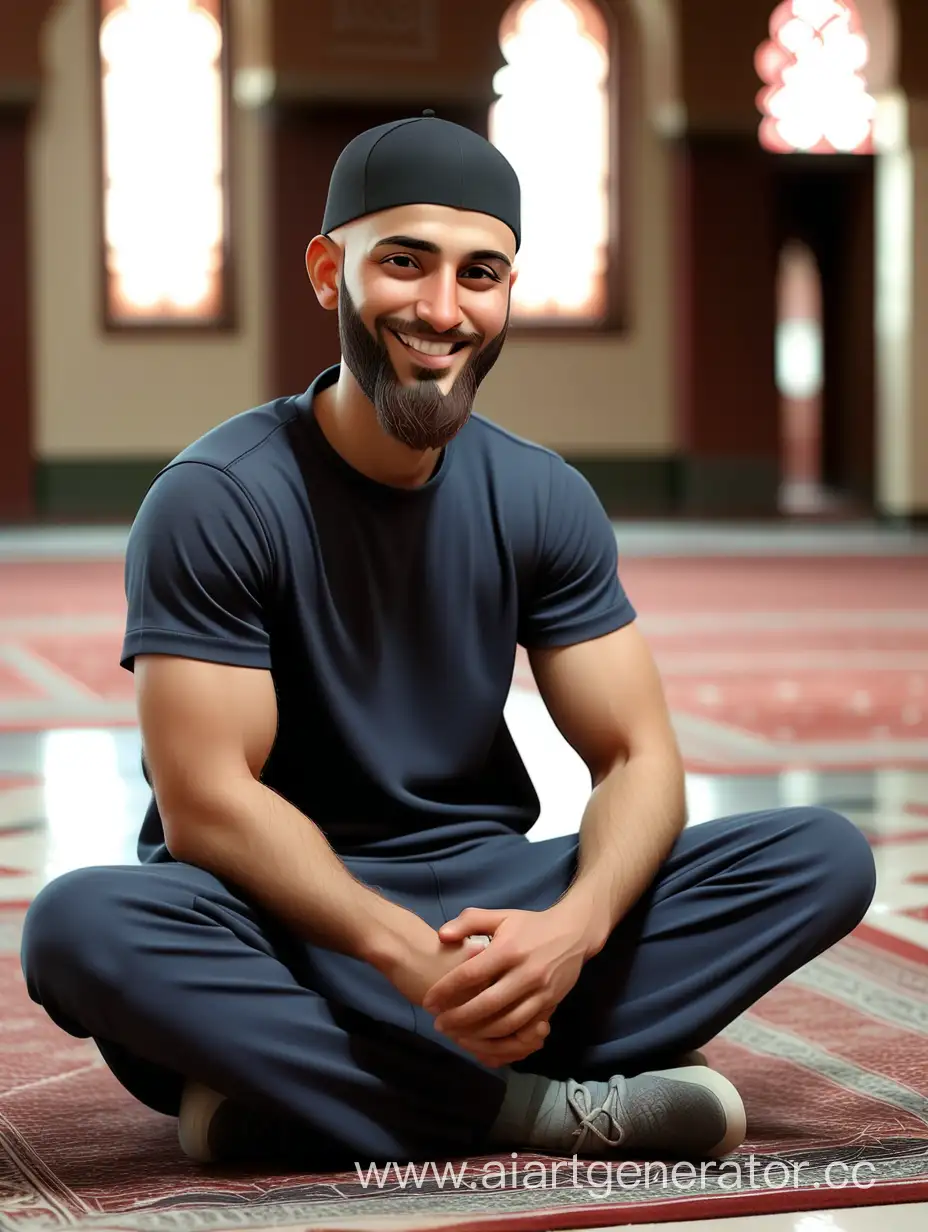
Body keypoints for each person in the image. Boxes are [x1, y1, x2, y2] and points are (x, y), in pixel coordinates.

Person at [20, 113, 875, 1170]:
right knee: (80, 929)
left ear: (509, 292)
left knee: (818, 854)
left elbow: (638, 757)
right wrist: (405, 962)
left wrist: (569, 933)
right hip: (289, 922)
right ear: (329, 272)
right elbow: (207, 806)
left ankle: (302, 1090)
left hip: (491, 902)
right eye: (404, 263)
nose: (442, 308)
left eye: (481, 273)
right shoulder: (214, 500)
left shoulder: (542, 495)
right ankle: (533, 1105)